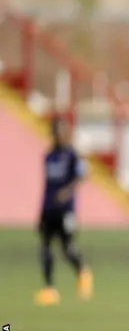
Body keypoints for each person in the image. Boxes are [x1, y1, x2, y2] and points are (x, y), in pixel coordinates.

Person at [34, 119, 93, 306]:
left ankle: (83, 272)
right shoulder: (49, 156)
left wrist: (67, 193)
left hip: (66, 210)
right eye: (55, 131)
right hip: (49, 208)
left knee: (66, 249)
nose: (58, 134)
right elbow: (47, 185)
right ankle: (49, 288)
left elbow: (82, 175)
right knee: (45, 248)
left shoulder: (72, 155)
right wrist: (41, 209)